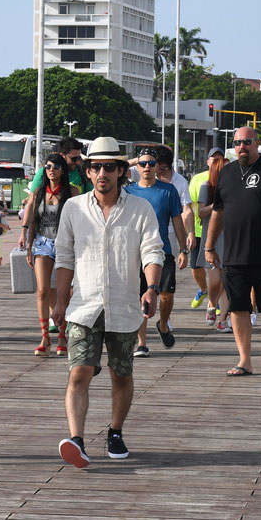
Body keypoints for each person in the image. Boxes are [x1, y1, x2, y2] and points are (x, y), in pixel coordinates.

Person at [52, 137, 164, 468]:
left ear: (120, 171)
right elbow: (64, 257)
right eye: (96, 166)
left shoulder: (140, 209)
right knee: (79, 373)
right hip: (83, 307)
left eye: (110, 167)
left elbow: (152, 250)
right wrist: (60, 301)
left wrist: (152, 287)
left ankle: (115, 431)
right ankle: (77, 439)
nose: (103, 173)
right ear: (87, 171)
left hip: (125, 305)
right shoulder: (73, 208)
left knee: (121, 374)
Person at [204, 127, 261, 374]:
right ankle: (244, 359)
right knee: (238, 306)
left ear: (257, 143)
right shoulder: (226, 173)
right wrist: (210, 246)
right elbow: (218, 212)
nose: (242, 146)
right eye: (237, 143)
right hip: (235, 254)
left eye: (247, 141)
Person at [125, 146, 188, 357]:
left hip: (163, 250)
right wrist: (136, 159)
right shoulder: (129, 191)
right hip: (136, 253)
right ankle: (141, 343)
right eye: (142, 164)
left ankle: (162, 325)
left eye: (151, 163)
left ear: (157, 167)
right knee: (141, 296)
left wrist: (184, 249)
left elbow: (177, 220)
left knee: (167, 295)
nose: (146, 167)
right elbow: (120, 168)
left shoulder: (167, 190)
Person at [21, 152, 81, 355]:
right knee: (42, 290)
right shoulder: (38, 192)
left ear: (62, 170)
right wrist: (26, 241)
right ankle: (45, 336)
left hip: (65, 243)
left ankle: (63, 333)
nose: (51, 170)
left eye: (55, 166)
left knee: (64, 291)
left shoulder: (71, 192)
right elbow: (31, 218)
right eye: (47, 167)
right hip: (42, 242)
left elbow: (79, 219)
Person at [156, 146, 197, 308]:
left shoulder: (179, 181)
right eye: (155, 166)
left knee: (166, 275)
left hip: (170, 233)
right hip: (146, 233)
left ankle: (165, 315)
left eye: (163, 168)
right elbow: (123, 170)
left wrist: (191, 233)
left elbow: (187, 209)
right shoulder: (145, 174)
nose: (159, 171)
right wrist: (143, 160)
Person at [188, 147, 222, 317]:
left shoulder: (229, 180)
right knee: (195, 267)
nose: (217, 163)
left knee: (220, 272)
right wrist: (190, 232)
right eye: (213, 160)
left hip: (222, 235)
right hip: (200, 230)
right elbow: (192, 207)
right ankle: (203, 290)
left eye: (220, 159)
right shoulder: (199, 180)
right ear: (207, 161)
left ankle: (215, 304)